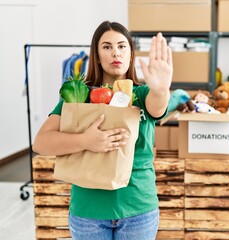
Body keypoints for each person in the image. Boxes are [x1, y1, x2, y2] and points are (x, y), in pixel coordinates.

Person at [32, 21, 173, 240]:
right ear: (97, 55)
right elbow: (41, 142)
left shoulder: (144, 95)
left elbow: (158, 105)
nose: (115, 52)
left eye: (122, 46)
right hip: (88, 213)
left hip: (138, 209)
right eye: (107, 47)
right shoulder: (78, 96)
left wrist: (162, 89)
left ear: (130, 53)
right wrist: (86, 141)